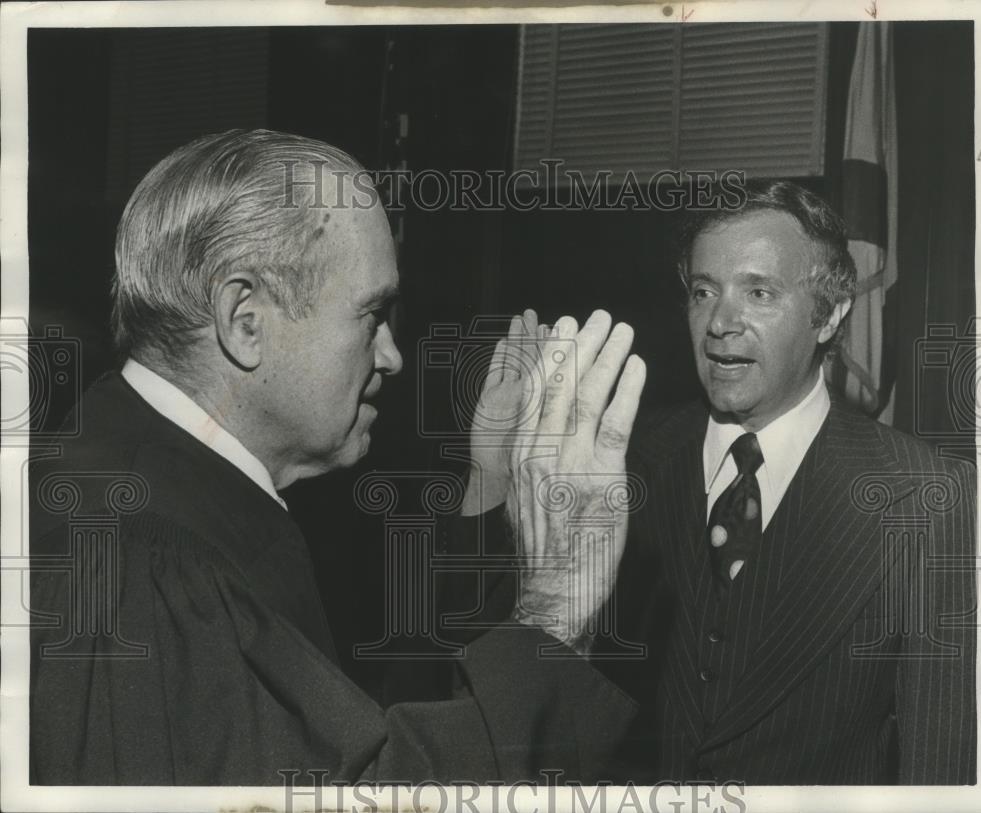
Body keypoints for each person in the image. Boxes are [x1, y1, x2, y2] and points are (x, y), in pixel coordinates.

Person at [29, 129, 647, 785]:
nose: (392, 355)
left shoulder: (140, 468)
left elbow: (352, 729)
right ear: (245, 321)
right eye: (371, 314)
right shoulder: (143, 564)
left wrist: (489, 479)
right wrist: (557, 610)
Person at [607, 180, 976, 784]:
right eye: (704, 291)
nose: (721, 323)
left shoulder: (930, 499)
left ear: (829, 315)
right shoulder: (626, 461)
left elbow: (941, 770)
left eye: (758, 292)